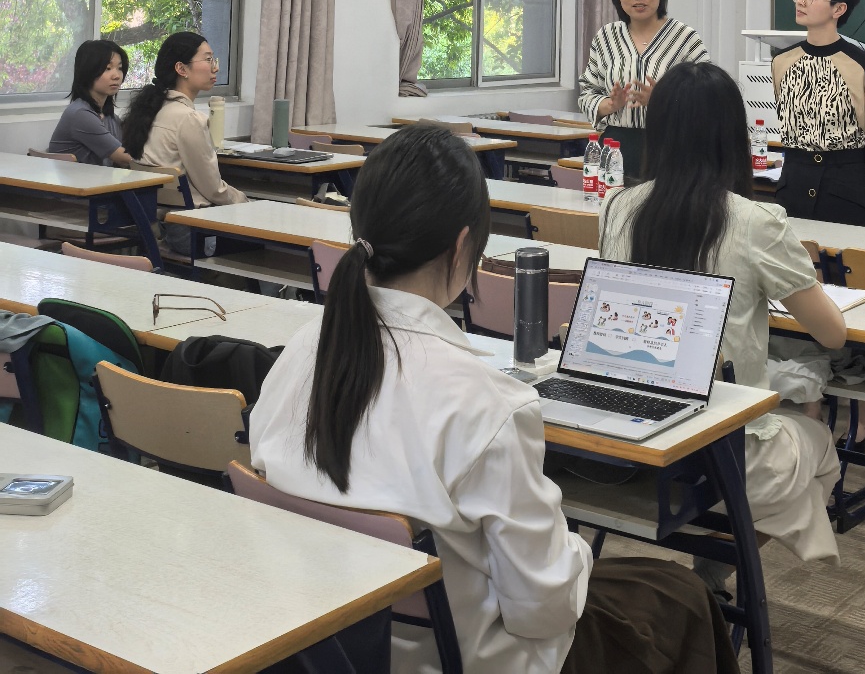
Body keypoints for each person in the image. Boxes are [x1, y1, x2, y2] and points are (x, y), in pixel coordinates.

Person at [250, 126, 739, 674]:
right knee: (679, 594)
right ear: (463, 246)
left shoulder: (301, 351)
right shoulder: (488, 404)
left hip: (325, 645)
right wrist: (576, 550)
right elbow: (543, 611)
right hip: (466, 659)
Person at [599, 62, 846, 572]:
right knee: (819, 440)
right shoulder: (757, 221)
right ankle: (719, 571)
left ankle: (711, 576)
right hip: (723, 446)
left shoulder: (617, 206)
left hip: (635, 426)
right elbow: (833, 333)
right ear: (733, 136)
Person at [772, 0, 865, 226]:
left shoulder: (863, 67)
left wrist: (861, 179)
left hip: (845, 194)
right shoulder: (781, 62)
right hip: (792, 188)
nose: (801, 1)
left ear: (838, 8)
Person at [578, 0, 709, 179]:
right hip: (616, 147)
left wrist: (663, 101)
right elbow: (587, 92)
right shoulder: (606, 37)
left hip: (670, 147)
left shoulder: (685, 38)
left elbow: (708, 98)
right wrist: (610, 104)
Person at [120, 32, 245, 208]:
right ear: (181, 69)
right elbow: (215, 190)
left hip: (155, 213)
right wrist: (248, 203)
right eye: (208, 60)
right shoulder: (189, 119)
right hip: (191, 218)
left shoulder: (151, 109)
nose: (215, 68)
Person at [47, 39, 132, 167]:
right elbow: (124, 157)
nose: (117, 76)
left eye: (120, 68)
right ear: (88, 71)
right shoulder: (80, 114)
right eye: (107, 68)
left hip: (95, 179)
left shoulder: (110, 117)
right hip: (74, 179)